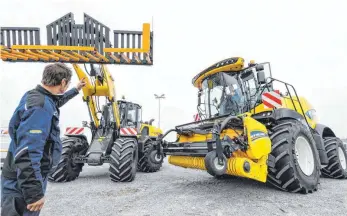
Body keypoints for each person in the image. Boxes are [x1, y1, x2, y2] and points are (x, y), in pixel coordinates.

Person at [1, 63, 86, 216]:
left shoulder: (37, 97)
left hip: (21, 177)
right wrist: (33, 193)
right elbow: (28, 152)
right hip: (22, 183)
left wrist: (76, 90)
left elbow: (55, 102)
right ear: (63, 83)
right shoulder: (40, 108)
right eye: (67, 85)